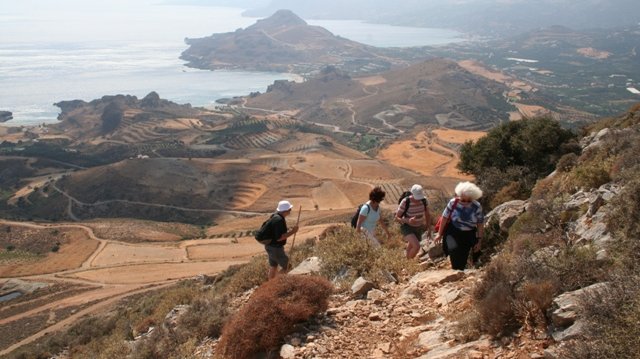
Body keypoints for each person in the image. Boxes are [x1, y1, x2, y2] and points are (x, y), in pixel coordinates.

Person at [434, 182, 484, 270]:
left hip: (469, 234)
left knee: (465, 255)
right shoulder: (453, 203)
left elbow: (480, 224)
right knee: (453, 252)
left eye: (469, 201)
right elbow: (444, 218)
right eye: (463, 200)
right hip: (454, 232)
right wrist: (439, 234)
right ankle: (456, 271)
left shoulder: (477, 206)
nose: (465, 203)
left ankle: (462, 271)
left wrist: (479, 241)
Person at [264, 200, 299, 280]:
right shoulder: (279, 220)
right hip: (276, 248)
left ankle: (269, 284)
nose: (290, 211)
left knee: (273, 266)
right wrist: (293, 231)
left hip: (269, 246)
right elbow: (280, 238)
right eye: (289, 209)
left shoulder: (274, 216)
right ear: (285, 211)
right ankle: (274, 283)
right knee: (287, 267)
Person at [395, 184, 431, 259]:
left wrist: (428, 228)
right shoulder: (405, 202)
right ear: (412, 194)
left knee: (410, 246)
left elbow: (427, 214)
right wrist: (407, 220)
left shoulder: (424, 201)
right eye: (416, 197)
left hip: (418, 227)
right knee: (416, 246)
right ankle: (409, 265)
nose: (418, 200)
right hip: (407, 227)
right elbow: (397, 217)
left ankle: (406, 264)